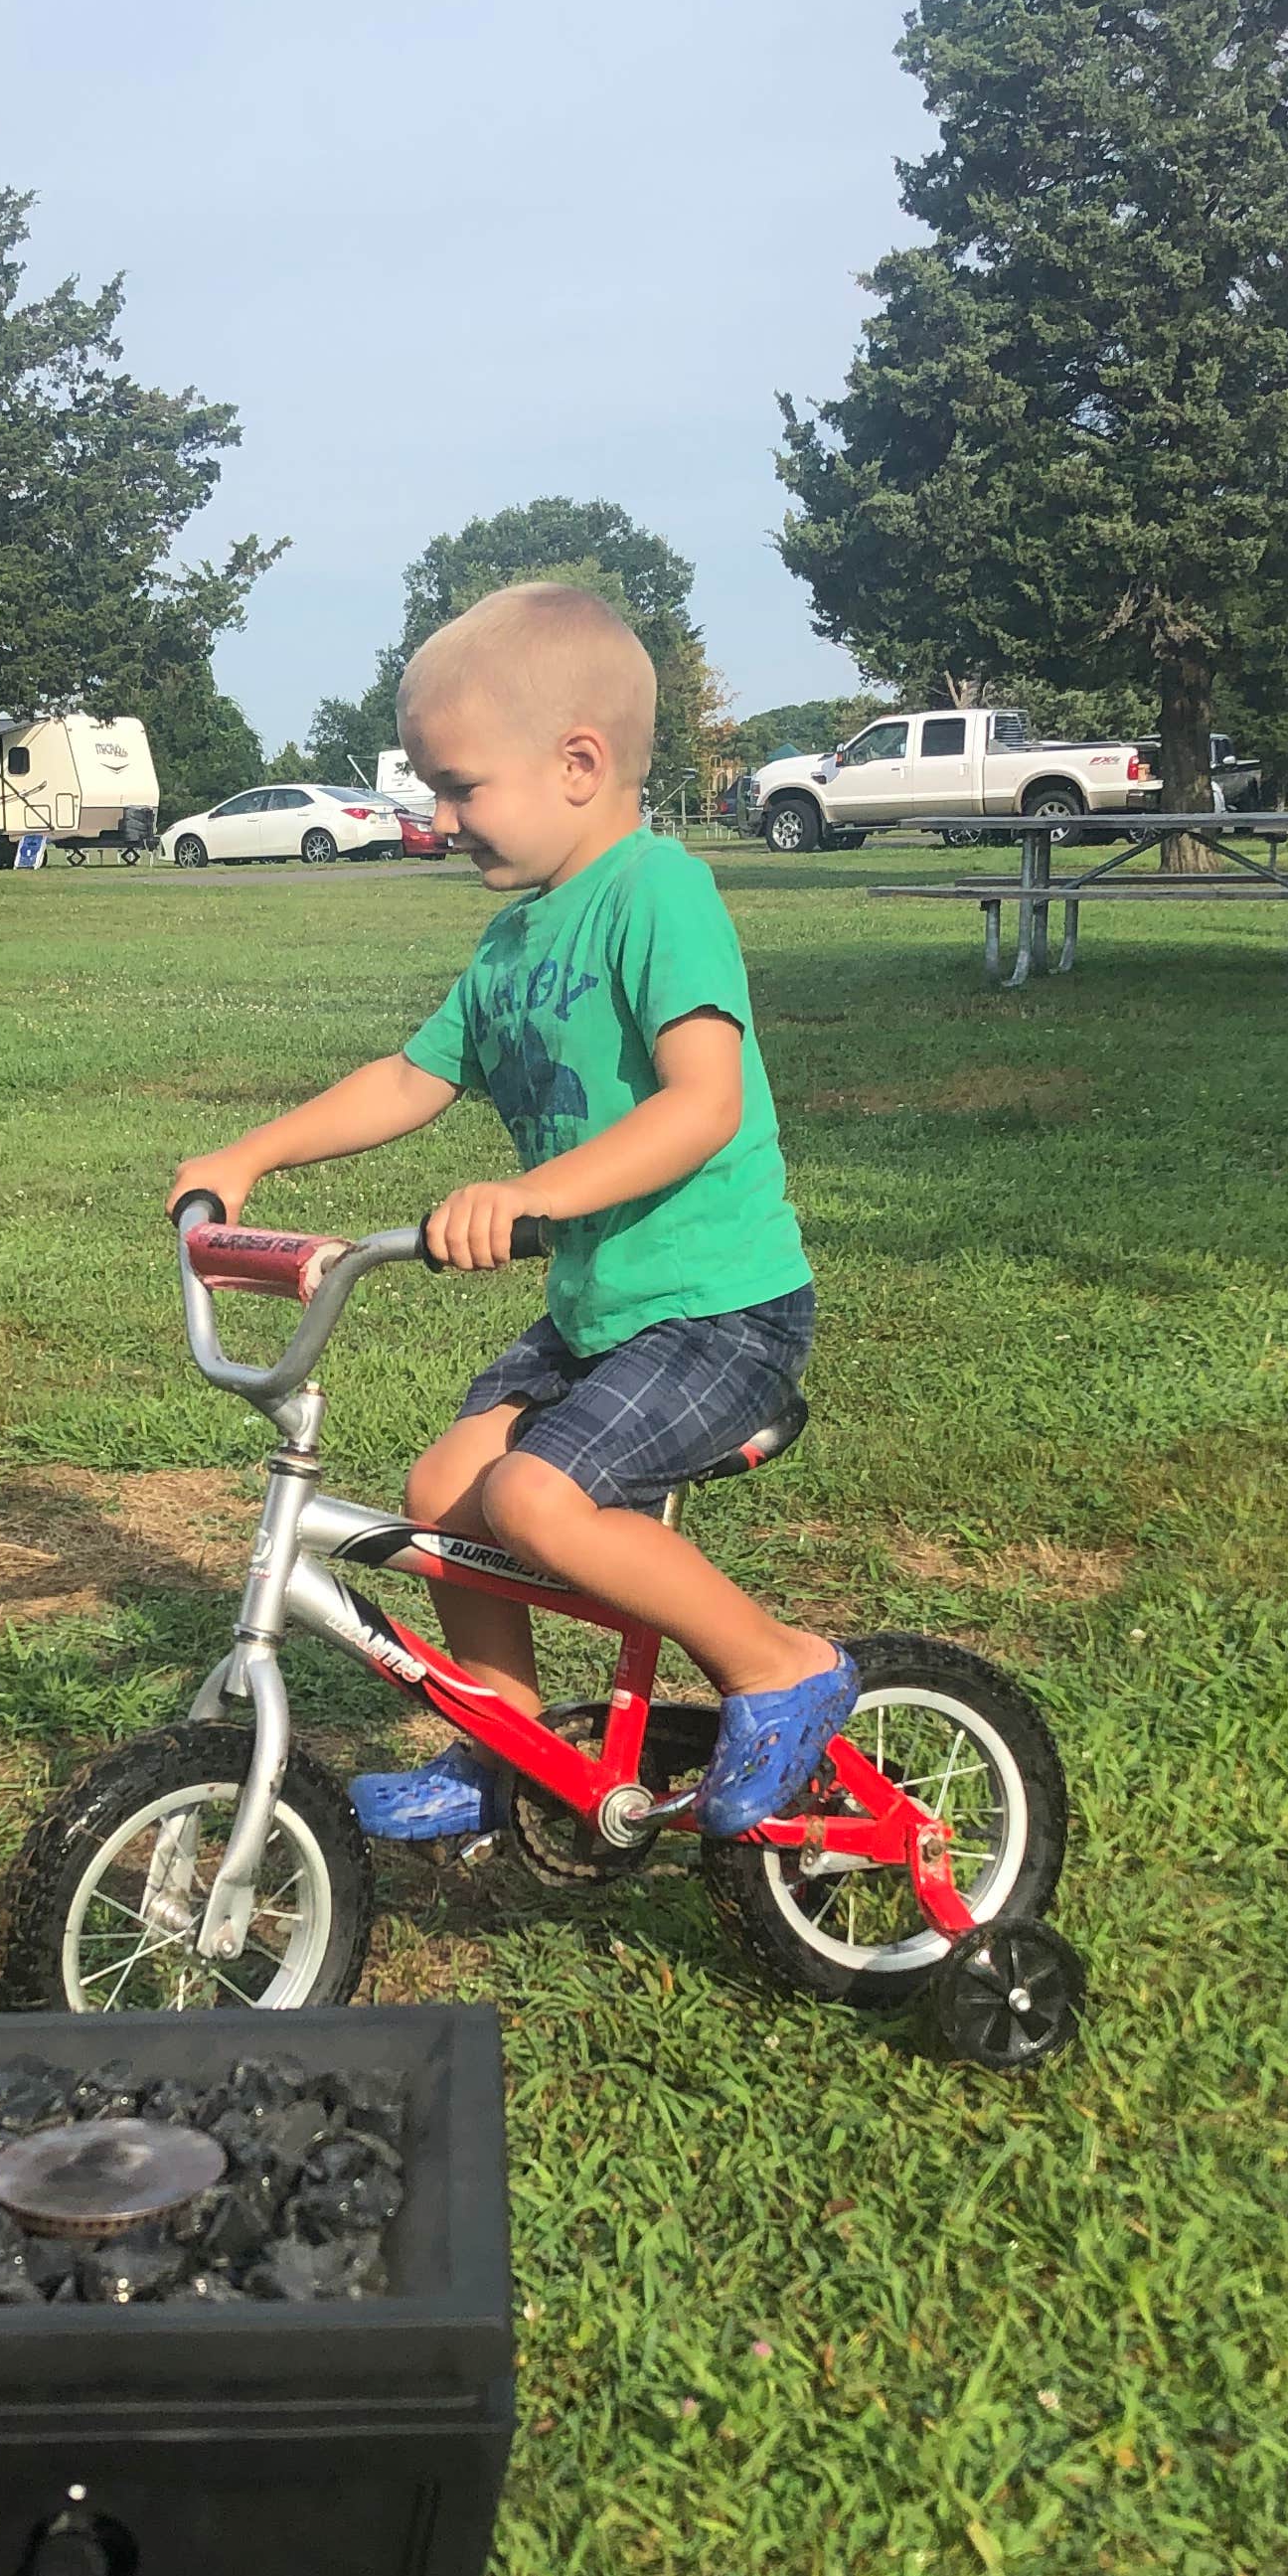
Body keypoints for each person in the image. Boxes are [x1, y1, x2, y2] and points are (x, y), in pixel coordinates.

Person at [169, 580, 853, 1841]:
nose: (437, 817)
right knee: (442, 1494)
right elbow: (410, 1077)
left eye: (460, 785)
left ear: (578, 763)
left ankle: (780, 1664)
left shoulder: (659, 894)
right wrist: (253, 1153)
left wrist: (527, 1193)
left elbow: (701, 1105)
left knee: (536, 1501)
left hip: (721, 1313)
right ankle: (515, 1750)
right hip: (605, 1314)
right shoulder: (509, 947)